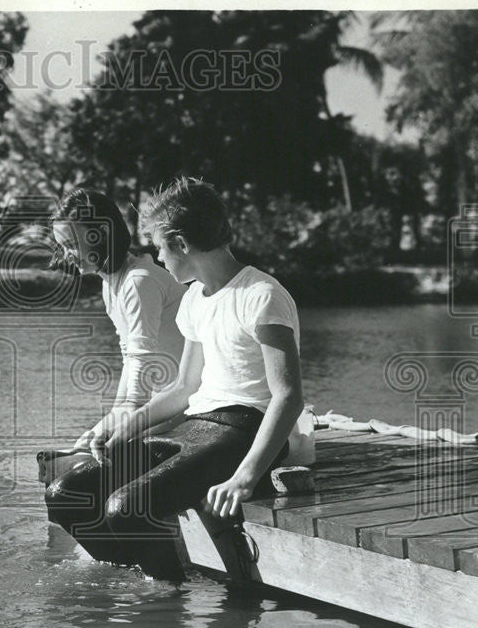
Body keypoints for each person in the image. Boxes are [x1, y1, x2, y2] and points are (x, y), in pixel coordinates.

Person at [42, 177, 304, 581]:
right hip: (196, 426)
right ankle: (146, 575)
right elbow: (183, 389)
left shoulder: (261, 295)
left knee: (126, 507)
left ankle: (166, 594)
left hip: (242, 429)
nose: (158, 257)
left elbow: (287, 397)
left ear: (181, 244)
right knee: (66, 494)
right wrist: (125, 427)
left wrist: (245, 477)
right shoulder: (196, 300)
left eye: (162, 247)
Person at [49, 188, 186, 452]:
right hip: (158, 404)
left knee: (87, 451)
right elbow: (129, 357)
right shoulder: (111, 284)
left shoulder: (139, 281)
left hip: (183, 404)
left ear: (103, 233)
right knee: (82, 449)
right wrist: (114, 415)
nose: (66, 254)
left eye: (72, 245)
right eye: (62, 246)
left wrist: (118, 423)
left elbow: (142, 359)